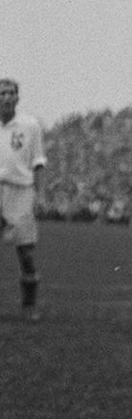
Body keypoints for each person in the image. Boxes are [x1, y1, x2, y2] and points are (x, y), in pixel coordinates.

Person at [0, 79, 47, 322]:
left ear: (17, 98)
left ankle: (29, 305)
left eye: (11, 93)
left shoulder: (30, 126)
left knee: (25, 252)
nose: (6, 97)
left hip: (20, 191)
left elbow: (38, 162)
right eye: (2, 93)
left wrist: (39, 195)